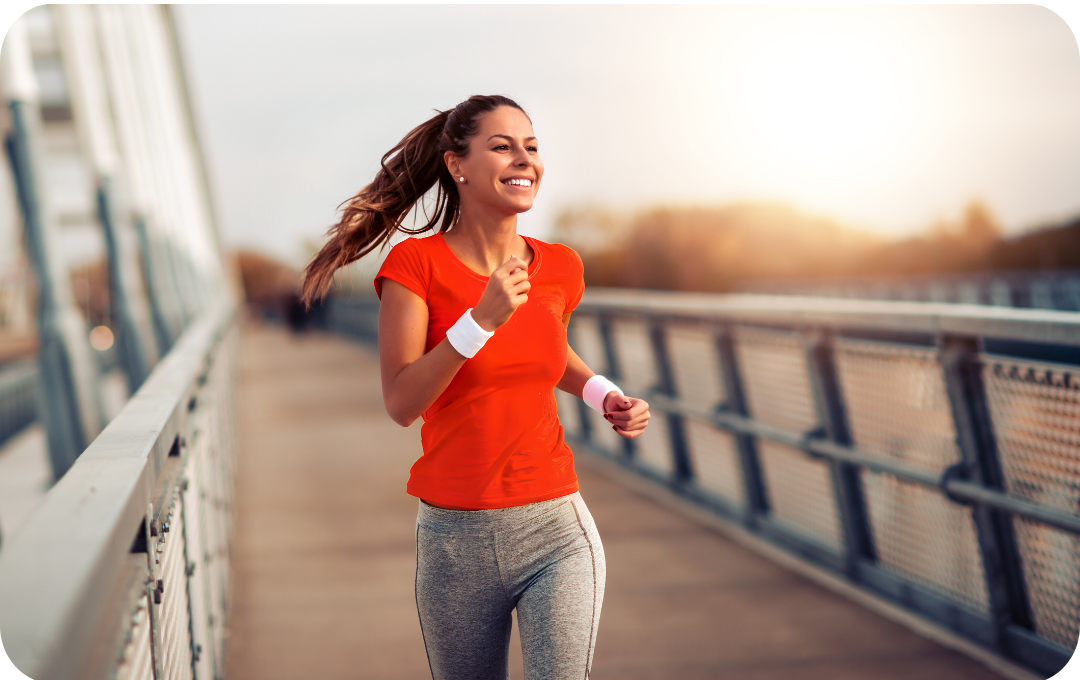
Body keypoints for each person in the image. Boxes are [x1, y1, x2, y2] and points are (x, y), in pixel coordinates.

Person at [301, 94, 651, 680]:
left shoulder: (560, 266)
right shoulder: (415, 267)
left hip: (556, 527)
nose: (525, 159)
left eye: (532, 147)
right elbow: (402, 402)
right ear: (456, 164)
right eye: (502, 146)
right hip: (453, 544)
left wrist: (604, 394)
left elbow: (547, 352)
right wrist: (479, 321)